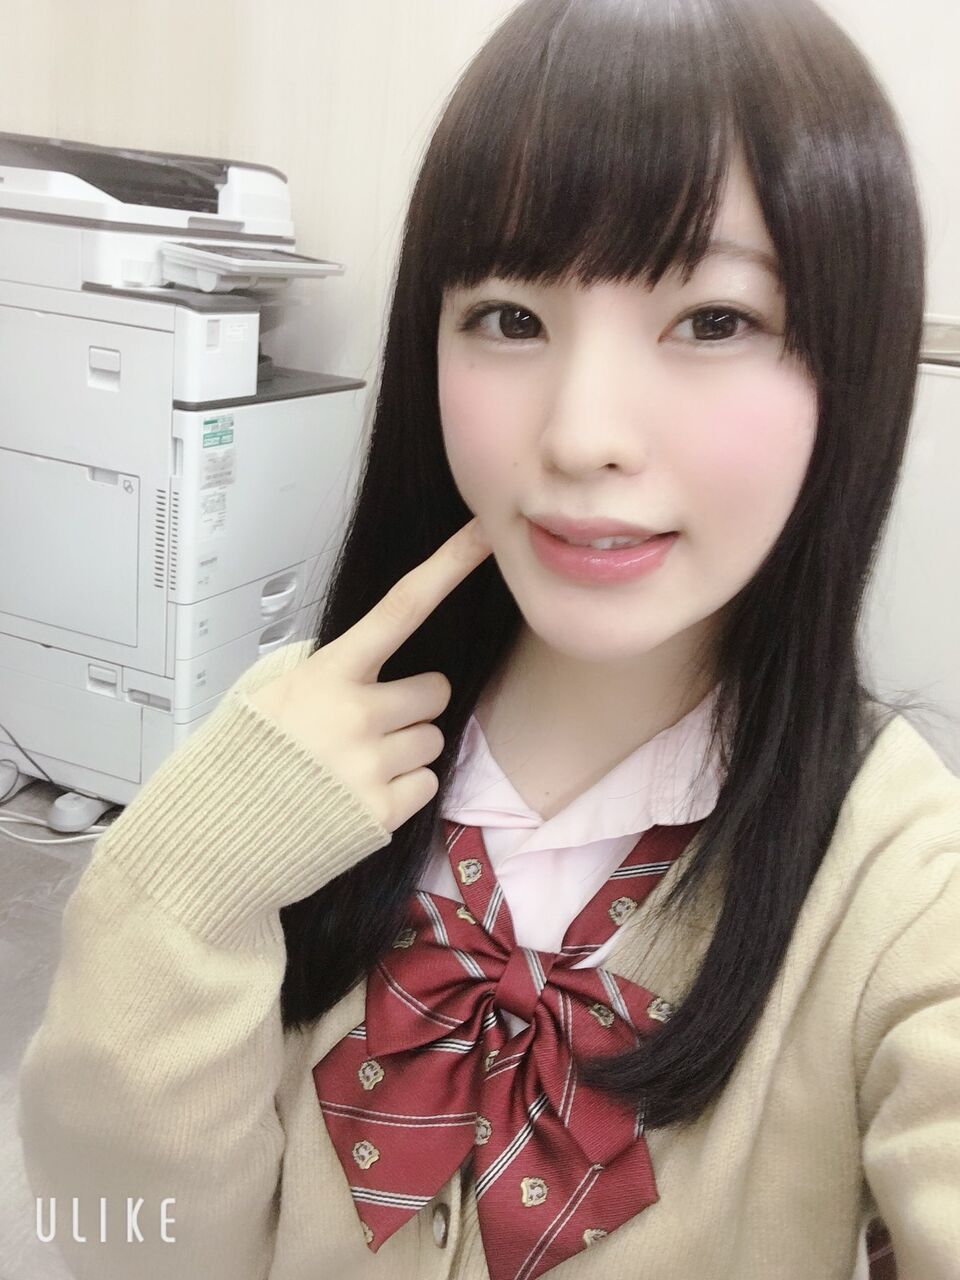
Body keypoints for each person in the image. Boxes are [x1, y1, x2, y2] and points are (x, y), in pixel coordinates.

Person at [16, 0, 960, 1277]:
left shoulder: (907, 875)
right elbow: (130, 1248)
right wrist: (183, 884)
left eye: (714, 319)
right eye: (511, 316)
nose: (581, 435)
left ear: (851, 363)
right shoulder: (292, 741)